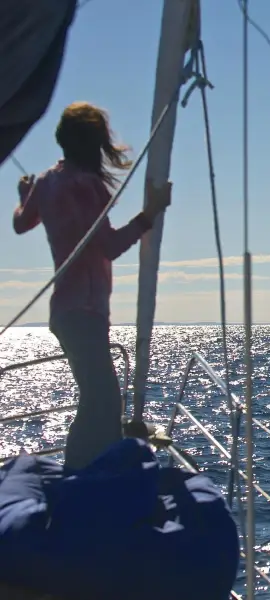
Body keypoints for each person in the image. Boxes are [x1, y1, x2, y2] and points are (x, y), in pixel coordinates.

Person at [12, 101, 171, 470]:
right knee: (102, 402)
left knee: (97, 400)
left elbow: (22, 224)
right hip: (85, 310)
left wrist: (25, 197)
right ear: (94, 143)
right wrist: (151, 213)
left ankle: (88, 474)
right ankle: (80, 478)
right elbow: (110, 247)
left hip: (66, 312)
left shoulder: (47, 182)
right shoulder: (89, 186)